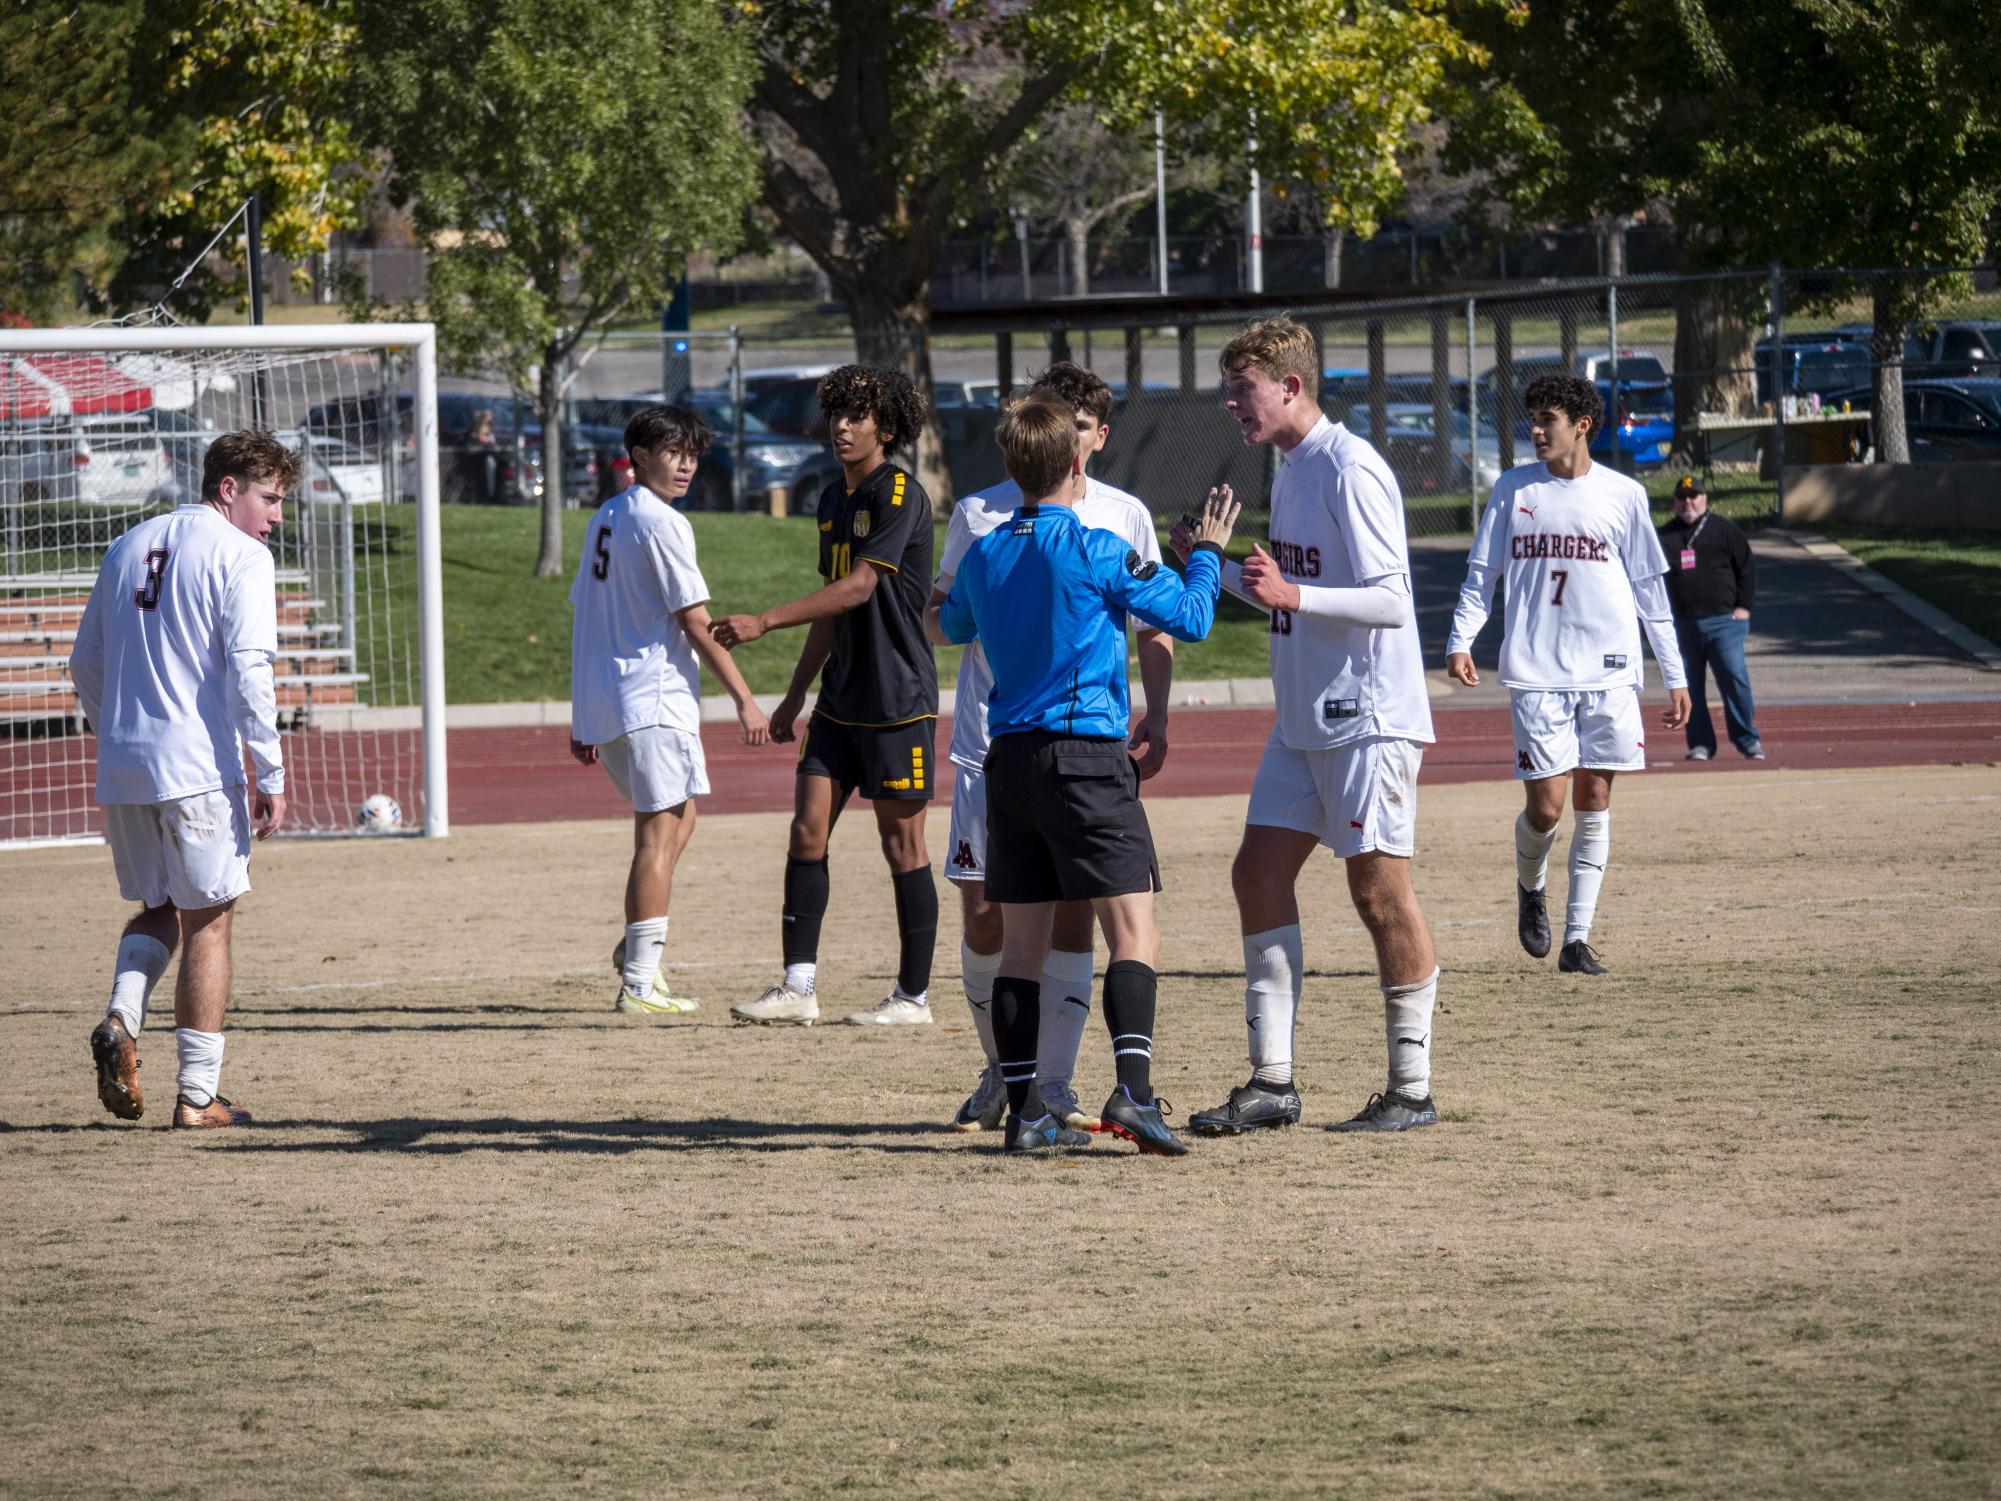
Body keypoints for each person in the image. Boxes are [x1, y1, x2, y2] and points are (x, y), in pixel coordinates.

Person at [929, 394, 1238, 1154]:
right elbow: (1191, 617)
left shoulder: (986, 549)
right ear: (1077, 461)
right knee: (1135, 930)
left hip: (1009, 761)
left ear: (1008, 466)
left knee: (1020, 947)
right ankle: (1132, 1093)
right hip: (1084, 758)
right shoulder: (1098, 547)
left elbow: (949, 624)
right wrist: (1206, 550)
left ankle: (1027, 1111)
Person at [1177, 315, 1448, 1138]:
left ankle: (1410, 1088)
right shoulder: (1290, 468)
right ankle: (1273, 1082)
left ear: (1290, 386)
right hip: (1301, 722)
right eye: (1228, 389)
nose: (1231, 403)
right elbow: (1279, 586)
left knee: (1378, 893)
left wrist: (1295, 595)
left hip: (1368, 720)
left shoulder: (1348, 466)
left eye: (1242, 388)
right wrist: (1206, 563)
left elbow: (1392, 601)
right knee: (1256, 876)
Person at [68, 430, 298, 1129]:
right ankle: (198, 1097)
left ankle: (121, 1017)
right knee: (210, 917)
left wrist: (121, 727)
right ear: (228, 488)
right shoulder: (242, 555)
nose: (278, 515)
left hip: (126, 762)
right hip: (198, 765)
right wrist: (270, 767)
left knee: (157, 907)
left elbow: (84, 663)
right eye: (270, 497)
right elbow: (252, 672)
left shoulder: (128, 542)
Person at [711, 366, 940, 1027]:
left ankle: (912, 997)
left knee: (903, 846)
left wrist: (762, 620)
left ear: (885, 429)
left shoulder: (897, 492)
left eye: (856, 417)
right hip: (839, 699)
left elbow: (860, 587)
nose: (840, 425)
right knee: (807, 829)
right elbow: (831, 610)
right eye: (835, 414)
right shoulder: (830, 500)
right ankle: (797, 986)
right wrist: (792, 697)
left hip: (897, 698)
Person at [1446, 374, 1692, 976]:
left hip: (1608, 670)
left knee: (1595, 797)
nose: (1535, 430)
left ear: (1582, 425)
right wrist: (1460, 640)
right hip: (1536, 670)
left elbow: (1649, 593)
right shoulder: (1511, 490)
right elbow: (1483, 575)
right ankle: (1531, 886)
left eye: (1547, 419)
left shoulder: (1625, 495)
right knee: (1549, 809)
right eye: (1531, 418)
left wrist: (1676, 674)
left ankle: (1577, 940)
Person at [569, 405, 769, 1015]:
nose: (685, 464)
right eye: (672, 451)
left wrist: (584, 712)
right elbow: (696, 622)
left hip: (616, 700)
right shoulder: (663, 524)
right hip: (652, 699)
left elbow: (584, 613)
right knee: (657, 836)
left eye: (693, 453)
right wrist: (745, 699)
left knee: (681, 820)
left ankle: (635, 947)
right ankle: (639, 983)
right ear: (640, 454)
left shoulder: (606, 516)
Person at [1658, 475, 1763, 761]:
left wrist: (1744, 607)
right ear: (1675, 502)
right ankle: (1701, 744)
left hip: (1724, 623)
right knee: (1689, 688)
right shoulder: (1664, 536)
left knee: (1734, 678)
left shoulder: (1724, 530)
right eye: (1682, 497)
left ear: (1704, 498)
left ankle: (1747, 740)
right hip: (1682, 625)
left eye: (1694, 496)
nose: (1687, 502)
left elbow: (1747, 568)